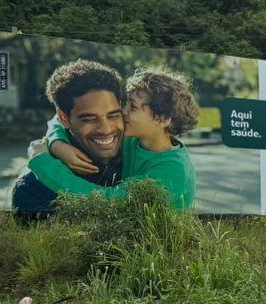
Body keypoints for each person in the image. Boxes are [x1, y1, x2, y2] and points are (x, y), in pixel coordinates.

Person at [26, 68, 200, 210]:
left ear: (162, 119)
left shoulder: (173, 170)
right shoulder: (137, 139)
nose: (122, 111)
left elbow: (109, 202)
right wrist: (58, 144)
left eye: (133, 107)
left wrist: (44, 164)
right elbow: (59, 119)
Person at [10, 61, 125, 214]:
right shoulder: (33, 188)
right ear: (64, 118)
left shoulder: (141, 153)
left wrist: (55, 141)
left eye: (113, 115)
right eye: (89, 119)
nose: (106, 129)